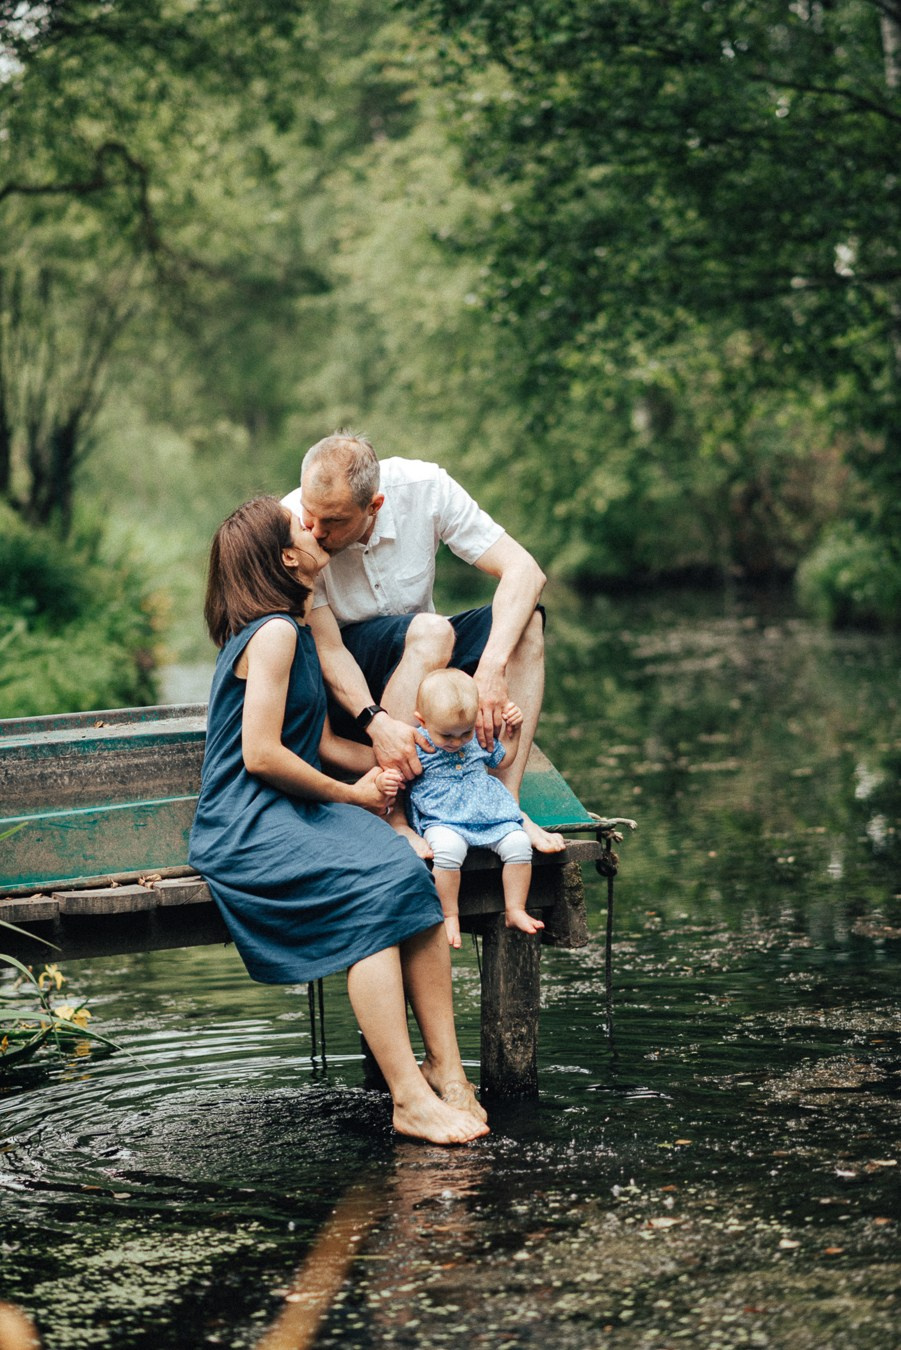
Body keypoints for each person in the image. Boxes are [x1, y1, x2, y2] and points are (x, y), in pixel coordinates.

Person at [188, 496, 489, 1145]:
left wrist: (408, 755)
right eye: (299, 522)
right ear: (286, 557)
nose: (311, 522)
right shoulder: (271, 633)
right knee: (372, 890)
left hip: (293, 807)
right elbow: (261, 754)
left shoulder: (291, 631)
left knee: (410, 870)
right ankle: (408, 1098)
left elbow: (317, 740)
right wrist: (353, 797)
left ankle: (450, 1070)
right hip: (246, 819)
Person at [281, 431, 565, 859]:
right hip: (349, 686)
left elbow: (525, 571)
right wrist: (375, 722)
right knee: (433, 631)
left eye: (334, 521)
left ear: (374, 505)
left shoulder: (425, 488)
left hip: (424, 664)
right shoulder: (291, 523)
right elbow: (328, 648)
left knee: (525, 625)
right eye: (310, 514)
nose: (315, 531)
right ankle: (389, 810)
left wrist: (490, 669)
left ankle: (505, 808)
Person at [407, 669, 563, 948]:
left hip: (490, 813)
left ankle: (515, 909)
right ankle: (449, 914)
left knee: (518, 843)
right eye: (447, 735)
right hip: (443, 819)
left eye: (464, 733)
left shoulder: (477, 738)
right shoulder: (417, 744)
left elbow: (502, 761)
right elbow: (401, 774)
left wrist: (513, 733)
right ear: (422, 721)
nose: (456, 742)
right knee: (447, 851)